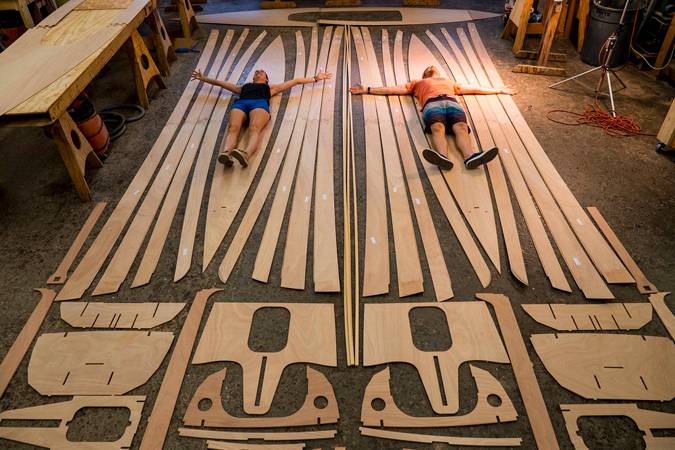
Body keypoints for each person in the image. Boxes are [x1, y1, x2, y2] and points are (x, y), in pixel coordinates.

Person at [350, 65, 514, 171]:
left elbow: (473, 88)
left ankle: (470, 157)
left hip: (451, 102)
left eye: (432, 68)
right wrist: (368, 89)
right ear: (424, 74)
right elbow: (393, 89)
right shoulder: (418, 82)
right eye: (427, 69)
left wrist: (498, 90)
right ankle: (442, 157)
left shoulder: (449, 81)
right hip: (432, 104)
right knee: (437, 128)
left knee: (461, 128)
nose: (430, 68)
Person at [192, 68, 332, 167]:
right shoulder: (244, 87)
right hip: (240, 104)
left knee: (254, 128)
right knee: (233, 128)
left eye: (261, 72)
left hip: (259, 105)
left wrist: (315, 78)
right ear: (253, 78)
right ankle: (226, 154)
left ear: (266, 79)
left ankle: (246, 154)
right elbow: (222, 84)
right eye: (256, 72)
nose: (258, 72)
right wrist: (204, 78)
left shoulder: (271, 88)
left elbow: (295, 82)